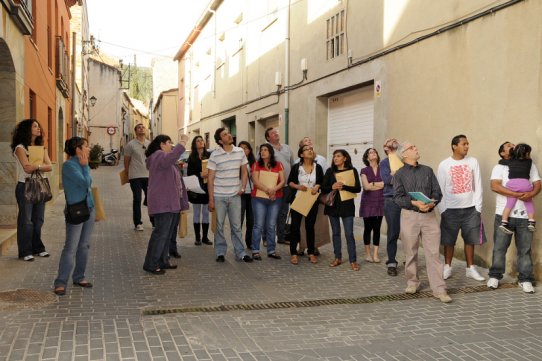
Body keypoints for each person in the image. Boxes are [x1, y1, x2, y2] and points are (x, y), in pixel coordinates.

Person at [393, 142, 452, 303]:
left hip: (430, 217)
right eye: (412, 148)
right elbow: (397, 197)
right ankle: (412, 282)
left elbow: (437, 192)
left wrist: (432, 203)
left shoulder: (427, 170)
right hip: (409, 216)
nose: (416, 148)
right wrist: (414, 203)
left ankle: (439, 289)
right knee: (411, 251)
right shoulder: (399, 174)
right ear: (404, 154)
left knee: (433, 253)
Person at [487, 141, 540, 293]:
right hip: (504, 214)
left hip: (525, 216)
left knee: (525, 249)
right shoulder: (500, 167)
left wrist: (531, 194)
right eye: (509, 145)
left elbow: (537, 183)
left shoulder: (530, 165)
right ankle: (495, 276)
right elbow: (495, 186)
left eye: (514, 144)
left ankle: (525, 279)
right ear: (503, 153)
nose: (513, 146)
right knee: (499, 248)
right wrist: (516, 194)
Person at [437, 135, 486, 282]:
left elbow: (478, 185)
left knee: (470, 240)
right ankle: (447, 267)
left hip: (471, 209)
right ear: (454, 146)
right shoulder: (444, 164)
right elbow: (440, 189)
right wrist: (443, 210)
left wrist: (478, 207)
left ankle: (470, 268)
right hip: (450, 210)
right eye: (464, 144)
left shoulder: (473, 161)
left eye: (467, 144)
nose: (467, 146)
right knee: (448, 240)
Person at [142, 134, 189, 275]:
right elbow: (171, 157)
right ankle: (151, 263)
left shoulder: (164, 159)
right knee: (160, 234)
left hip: (171, 203)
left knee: (167, 234)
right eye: (169, 142)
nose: (171, 145)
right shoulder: (158, 155)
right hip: (163, 203)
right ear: (162, 144)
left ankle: (163, 260)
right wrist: (182, 142)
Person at [53, 137, 95, 295]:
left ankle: (79, 276)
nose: (89, 149)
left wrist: (85, 167)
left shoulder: (83, 164)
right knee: (71, 247)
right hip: (76, 211)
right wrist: (85, 167)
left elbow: (88, 185)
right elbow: (86, 183)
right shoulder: (69, 166)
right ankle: (61, 282)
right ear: (78, 149)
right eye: (86, 146)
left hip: (89, 209)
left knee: (84, 245)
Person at [207, 128, 252, 263]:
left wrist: (243, 187)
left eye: (228, 133)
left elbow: (244, 172)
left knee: (236, 226)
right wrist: (211, 199)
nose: (229, 135)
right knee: (219, 226)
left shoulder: (239, 152)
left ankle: (241, 253)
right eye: (225, 135)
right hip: (219, 196)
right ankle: (220, 252)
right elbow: (210, 178)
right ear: (220, 141)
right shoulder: (215, 155)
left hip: (235, 196)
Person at [11, 119, 52, 261]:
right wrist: (40, 165)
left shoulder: (42, 147)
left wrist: (36, 166)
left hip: (40, 185)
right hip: (25, 186)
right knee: (26, 220)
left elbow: (50, 166)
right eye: (35, 126)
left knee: (38, 219)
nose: (38, 128)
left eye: (38, 126)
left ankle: (38, 248)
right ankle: (25, 251)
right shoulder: (20, 148)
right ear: (27, 129)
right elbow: (26, 168)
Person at [321, 149, 362, 271]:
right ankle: (337, 257)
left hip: (347, 207)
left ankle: (353, 261)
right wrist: (332, 186)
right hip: (333, 206)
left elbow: (357, 189)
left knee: (349, 234)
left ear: (345, 158)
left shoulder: (352, 171)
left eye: (338, 156)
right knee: (335, 233)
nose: (335, 158)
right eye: (334, 156)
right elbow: (323, 188)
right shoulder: (330, 171)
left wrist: (344, 186)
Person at [287, 145, 323, 264]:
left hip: (312, 200)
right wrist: (298, 186)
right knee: (295, 227)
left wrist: (317, 186)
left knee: (310, 227)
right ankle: (293, 253)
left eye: (311, 149)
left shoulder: (318, 167)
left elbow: (321, 182)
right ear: (301, 154)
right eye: (307, 149)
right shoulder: (297, 167)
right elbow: (290, 182)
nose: (310, 150)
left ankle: (311, 252)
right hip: (298, 198)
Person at [250, 144, 285, 260]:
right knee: (258, 225)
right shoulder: (256, 165)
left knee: (271, 225)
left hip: (275, 199)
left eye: (265, 150)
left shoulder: (279, 165)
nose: (263, 152)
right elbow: (255, 181)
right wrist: (268, 190)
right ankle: (255, 250)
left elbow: (283, 181)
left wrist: (273, 190)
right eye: (261, 150)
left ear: (270, 152)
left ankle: (271, 250)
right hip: (259, 199)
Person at [498, 143, 536, 234]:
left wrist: (513, 151)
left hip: (512, 185)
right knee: (529, 202)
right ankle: (531, 222)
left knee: (509, 204)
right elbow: (523, 157)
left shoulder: (510, 160)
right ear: (527, 154)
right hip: (525, 185)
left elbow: (501, 161)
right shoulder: (529, 161)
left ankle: (503, 222)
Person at [265, 127, 294, 244]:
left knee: (283, 212)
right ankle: (266, 238)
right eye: (273, 133)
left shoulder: (287, 148)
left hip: (286, 186)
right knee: (270, 212)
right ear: (268, 138)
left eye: (276, 132)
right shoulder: (266, 149)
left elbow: (292, 164)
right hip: (272, 186)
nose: (276, 133)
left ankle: (281, 237)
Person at [124, 123, 153, 231]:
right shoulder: (130, 145)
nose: (141, 129)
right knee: (137, 198)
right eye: (139, 128)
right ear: (135, 131)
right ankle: (138, 223)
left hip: (148, 175)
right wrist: (127, 173)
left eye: (143, 127)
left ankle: (153, 221)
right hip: (135, 175)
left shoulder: (149, 144)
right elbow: (126, 160)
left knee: (150, 198)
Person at [380, 138, 401, 276]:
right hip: (391, 200)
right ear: (386, 148)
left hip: (406, 200)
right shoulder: (384, 162)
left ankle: (410, 259)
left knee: (409, 232)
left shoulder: (403, 160)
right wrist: (396, 176)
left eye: (395, 142)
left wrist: (396, 174)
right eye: (390, 142)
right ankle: (392, 262)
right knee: (393, 232)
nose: (393, 143)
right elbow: (388, 180)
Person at [359, 148, 384, 263]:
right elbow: (366, 187)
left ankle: (375, 254)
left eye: (375, 152)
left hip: (380, 201)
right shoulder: (364, 170)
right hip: (368, 202)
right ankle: (368, 254)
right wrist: (377, 185)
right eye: (370, 152)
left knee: (377, 228)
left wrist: (373, 184)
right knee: (368, 228)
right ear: (367, 157)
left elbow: (386, 184)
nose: (373, 153)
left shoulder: (383, 169)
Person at [186, 136, 212, 246]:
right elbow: (189, 174)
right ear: (194, 144)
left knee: (206, 213)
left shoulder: (209, 156)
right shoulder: (191, 157)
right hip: (196, 188)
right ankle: (197, 238)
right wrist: (200, 174)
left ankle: (205, 237)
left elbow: (215, 170)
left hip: (207, 187)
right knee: (196, 213)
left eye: (202, 140)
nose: (201, 142)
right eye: (198, 140)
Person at [239, 141, 256, 249]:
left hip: (252, 193)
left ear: (249, 150)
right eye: (241, 148)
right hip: (240, 194)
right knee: (239, 220)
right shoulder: (235, 162)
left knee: (251, 220)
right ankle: (238, 243)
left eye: (245, 148)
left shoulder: (253, 163)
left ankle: (249, 242)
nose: (243, 150)